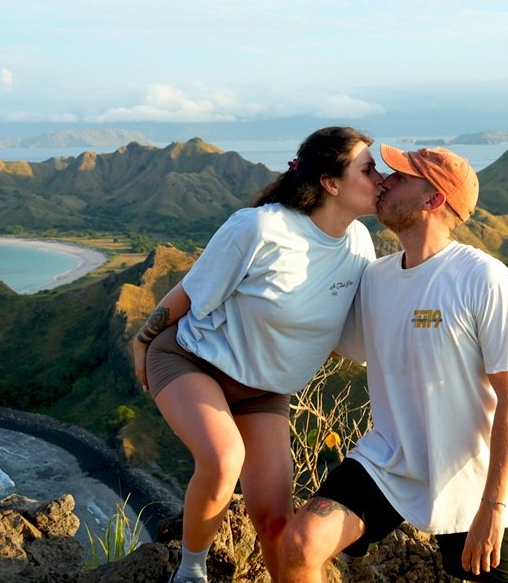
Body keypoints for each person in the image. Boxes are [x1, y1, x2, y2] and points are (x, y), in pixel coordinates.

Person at [131, 127, 384, 583]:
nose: (380, 177)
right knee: (224, 458)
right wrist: (142, 340)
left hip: (262, 389)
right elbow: (192, 290)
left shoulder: (359, 246)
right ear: (331, 182)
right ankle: (190, 571)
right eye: (368, 169)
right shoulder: (261, 227)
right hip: (191, 359)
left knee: (275, 520)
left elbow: (350, 334)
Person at [280, 145, 508, 582]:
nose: (384, 181)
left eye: (400, 177)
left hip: (469, 482)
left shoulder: (483, 278)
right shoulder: (376, 277)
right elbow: (330, 342)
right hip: (390, 463)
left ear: (433, 200)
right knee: (301, 544)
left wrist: (494, 506)